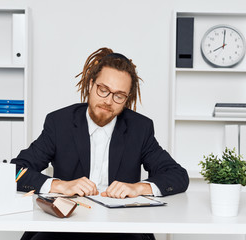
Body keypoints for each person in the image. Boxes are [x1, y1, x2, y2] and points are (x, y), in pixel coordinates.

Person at [11, 47, 189, 240]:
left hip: (121, 226)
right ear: (90, 85)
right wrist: (60, 185)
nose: (108, 101)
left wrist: (138, 188)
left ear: (127, 99)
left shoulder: (140, 128)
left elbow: (178, 176)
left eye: (119, 95)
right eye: (103, 90)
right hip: (66, 224)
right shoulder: (59, 123)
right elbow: (16, 171)